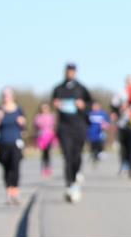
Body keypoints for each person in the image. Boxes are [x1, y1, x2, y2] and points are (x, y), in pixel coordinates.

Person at [51, 62, 92, 202]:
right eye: (68, 71)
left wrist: (83, 106)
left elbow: (91, 106)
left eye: (72, 71)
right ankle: (69, 184)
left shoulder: (81, 88)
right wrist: (55, 105)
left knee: (77, 156)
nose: (70, 74)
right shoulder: (58, 88)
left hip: (79, 127)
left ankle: (75, 177)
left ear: (75, 72)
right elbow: (52, 104)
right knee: (67, 156)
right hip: (64, 127)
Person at [0, 87, 26, 205]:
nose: (6, 97)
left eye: (8, 95)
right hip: (3, 143)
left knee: (15, 167)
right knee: (6, 168)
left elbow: (24, 127)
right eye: (4, 95)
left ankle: (15, 191)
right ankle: (9, 191)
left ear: (12, 96)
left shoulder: (18, 110)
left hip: (16, 142)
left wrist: (22, 123)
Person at [33, 102, 57, 177]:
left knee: (48, 153)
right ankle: (43, 168)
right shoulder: (38, 117)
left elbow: (54, 125)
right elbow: (36, 126)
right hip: (42, 137)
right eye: (43, 108)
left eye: (46, 108)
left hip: (50, 136)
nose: (45, 109)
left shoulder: (52, 116)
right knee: (44, 153)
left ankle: (48, 167)